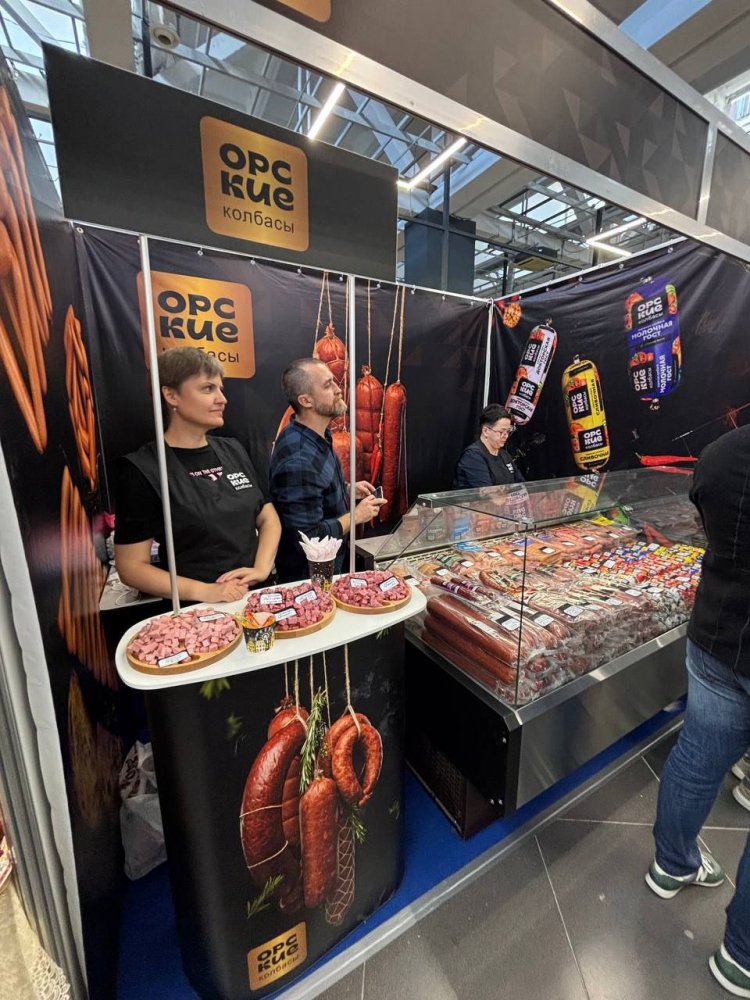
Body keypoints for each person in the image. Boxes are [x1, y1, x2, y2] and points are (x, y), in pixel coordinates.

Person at [645, 423, 750, 997]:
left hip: (716, 633)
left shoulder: (720, 453)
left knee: (696, 757)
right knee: (697, 759)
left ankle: (671, 864)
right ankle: (742, 956)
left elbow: (705, 516)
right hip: (722, 638)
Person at [115, 347, 281, 603]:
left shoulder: (233, 450)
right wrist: (205, 591)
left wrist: (261, 568)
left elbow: (268, 518)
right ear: (171, 395)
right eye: (207, 388)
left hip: (256, 598)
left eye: (220, 388)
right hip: (197, 611)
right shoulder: (143, 468)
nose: (222, 399)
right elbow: (131, 567)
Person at [270, 358, 386, 583]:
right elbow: (309, 536)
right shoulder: (299, 458)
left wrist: (347, 489)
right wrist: (356, 516)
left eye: (334, 381)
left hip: (328, 566)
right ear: (306, 400)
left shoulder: (317, 435)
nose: (338, 389)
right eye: (327, 385)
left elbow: (313, 489)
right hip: (308, 579)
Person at [453, 404, 524, 489]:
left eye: (508, 431)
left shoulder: (504, 455)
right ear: (486, 431)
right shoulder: (472, 456)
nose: (506, 436)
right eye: (501, 432)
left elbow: (521, 484)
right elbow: (487, 492)